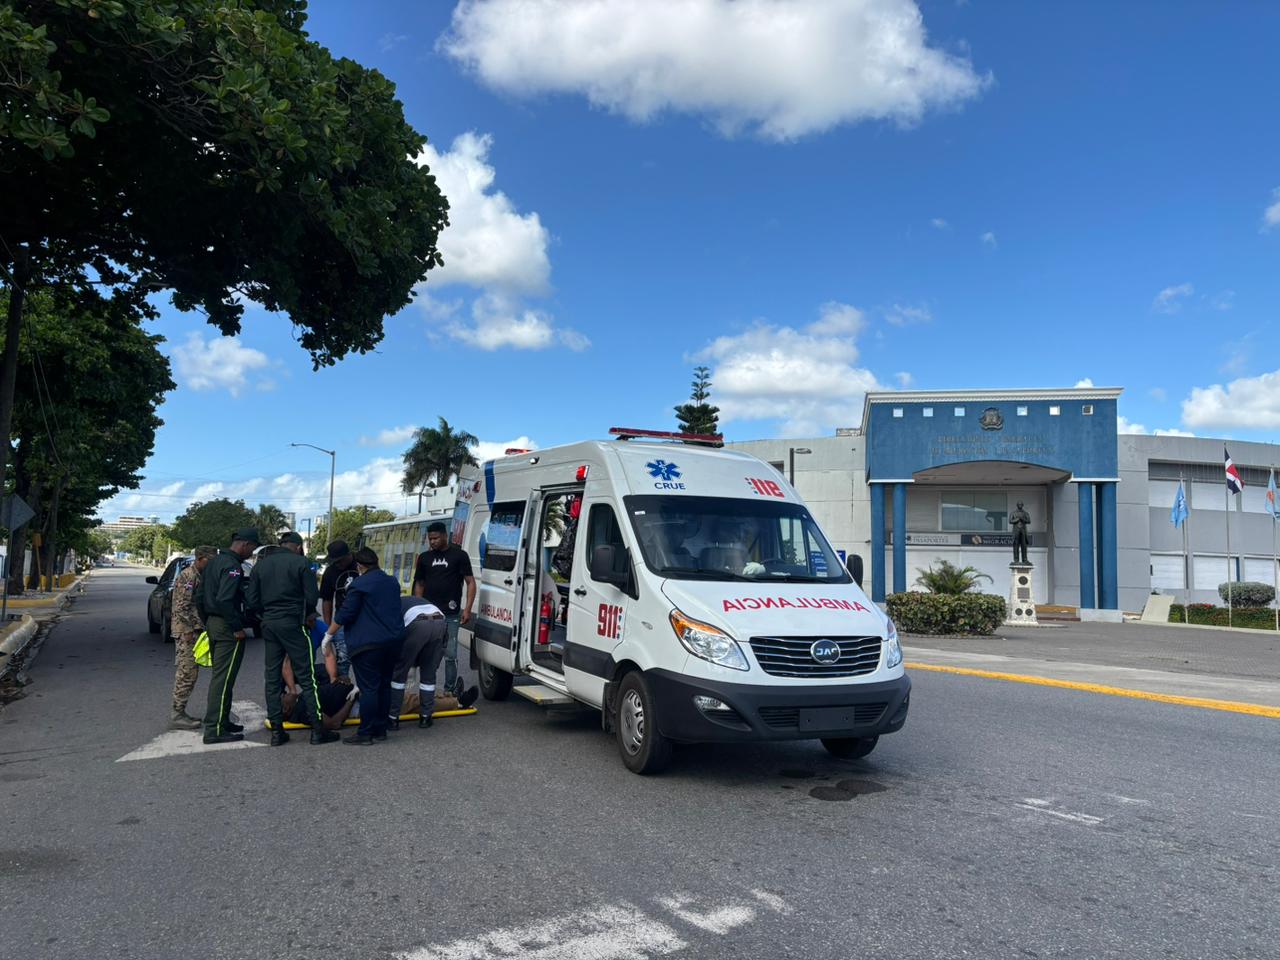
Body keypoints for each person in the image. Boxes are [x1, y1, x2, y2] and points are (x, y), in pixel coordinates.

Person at [246, 531, 339, 747]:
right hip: (294, 623)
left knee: (271, 677)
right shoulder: (301, 563)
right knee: (307, 676)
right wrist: (304, 614)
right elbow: (311, 597)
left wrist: (265, 615)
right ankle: (317, 731)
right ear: (297, 546)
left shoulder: (261, 565)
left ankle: (277, 732)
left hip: (269, 624)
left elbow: (251, 600)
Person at [324, 547, 403, 746]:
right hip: (392, 642)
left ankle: (365, 733)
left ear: (360, 566)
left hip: (367, 645)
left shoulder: (359, 585)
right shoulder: (392, 582)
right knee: (385, 686)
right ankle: (380, 729)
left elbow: (345, 613)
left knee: (369, 689)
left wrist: (328, 634)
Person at [197, 528, 259, 744]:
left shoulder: (213, 562)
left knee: (223, 677)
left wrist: (208, 621)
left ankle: (222, 721)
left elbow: (199, 596)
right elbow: (225, 599)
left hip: (214, 623)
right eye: (252, 549)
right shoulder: (232, 566)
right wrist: (235, 627)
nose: (251, 554)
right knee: (223, 680)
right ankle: (214, 729)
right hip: (226, 626)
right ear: (244, 544)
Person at [412, 521, 476, 698]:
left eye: (435, 538)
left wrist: (467, 609)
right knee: (429, 654)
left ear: (445, 536)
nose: (432, 542)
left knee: (450, 653)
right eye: (430, 539)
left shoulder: (459, 556)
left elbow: (470, 583)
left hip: (451, 613)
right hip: (428, 615)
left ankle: (449, 690)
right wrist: (417, 609)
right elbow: (419, 584)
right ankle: (428, 688)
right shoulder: (424, 558)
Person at [169, 545, 216, 730]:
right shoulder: (188, 577)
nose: (210, 564)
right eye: (208, 561)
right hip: (186, 632)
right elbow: (182, 606)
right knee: (186, 673)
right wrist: (189, 630)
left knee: (191, 673)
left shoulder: (199, 576)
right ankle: (177, 713)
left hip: (195, 631)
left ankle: (180, 711)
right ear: (200, 558)